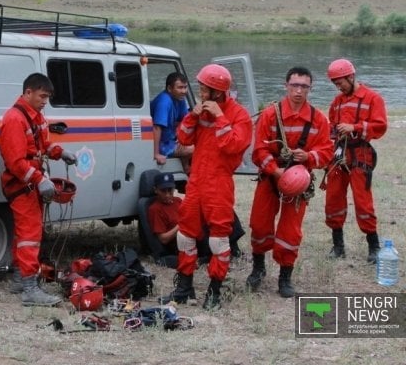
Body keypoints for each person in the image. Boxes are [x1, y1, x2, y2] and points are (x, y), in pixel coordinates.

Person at [161, 64, 253, 310]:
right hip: (197, 181)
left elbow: (232, 146)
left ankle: (214, 289)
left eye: (204, 89)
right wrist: (193, 115)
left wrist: (220, 117)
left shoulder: (239, 115)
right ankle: (184, 287)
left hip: (219, 182)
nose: (200, 93)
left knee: (219, 240)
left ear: (217, 92)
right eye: (200, 88)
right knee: (185, 235)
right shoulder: (199, 112)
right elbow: (183, 138)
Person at [246, 67, 333, 297]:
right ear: (286, 85)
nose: (298, 90)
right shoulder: (270, 115)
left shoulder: (318, 119)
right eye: (294, 85)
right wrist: (276, 172)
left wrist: (308, 157)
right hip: (270, 178)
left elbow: (326, 152)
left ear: (310, 89)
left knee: (290, 230)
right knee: (260, 224)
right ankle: (258, 268)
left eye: (304, 86)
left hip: (299, 182)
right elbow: (259, 151)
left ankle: (285, 276)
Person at [0, 73, 77, 306]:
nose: (45, 101)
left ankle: (19, 280)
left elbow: (43, 145)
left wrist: (59, 152)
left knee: (25, 234)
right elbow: (15, 162)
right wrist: (39, 179)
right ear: (28, 92)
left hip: (32, 183)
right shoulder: (14, 119)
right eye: (42, 96)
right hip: (21, 185)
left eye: (48, 97)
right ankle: (30, 290)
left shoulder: (36, 116)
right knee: (29, 235)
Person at [323, 58, 388, 263]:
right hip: (338, 154)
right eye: (335, 84)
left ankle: (374, 246)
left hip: (360, 155)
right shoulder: (337, 102)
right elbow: (331, 127)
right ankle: (338, 246)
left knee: (363, 202)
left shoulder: (372, 98)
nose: (338, 86)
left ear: (351, 76)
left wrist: (355, 128)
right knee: (333, 199)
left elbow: (380, 126)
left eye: (340, 82)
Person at [150, 72, 194, 168]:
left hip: (172, 139)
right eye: (180, 87)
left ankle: (186, 167)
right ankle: (186, 168)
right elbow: (157, 127)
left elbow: (185, 120)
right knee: (196, 148)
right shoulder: (164, 102)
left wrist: (181, 136)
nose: (184, 91)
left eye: (185, 87)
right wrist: (156, 154)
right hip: (163, 144)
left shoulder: (180, 99)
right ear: (170, 89)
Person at [147, 172, 181, 265]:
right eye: (163, 191)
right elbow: (163, 239)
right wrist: (180, 226)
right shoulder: (155, 209)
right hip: (176, 243)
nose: (167, 195)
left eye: (170, 190)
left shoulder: (178, 201)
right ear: (156, 190)